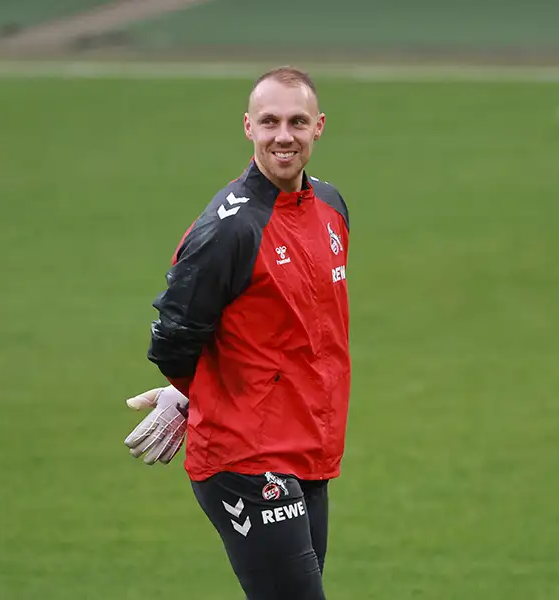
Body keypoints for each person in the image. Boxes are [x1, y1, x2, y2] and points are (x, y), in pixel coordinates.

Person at [124, 66, 351, 599]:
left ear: (319, 126)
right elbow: (172, 337)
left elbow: (304, 333)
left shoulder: (332, 208)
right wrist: (196, 395)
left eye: (297, 122)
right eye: (269, 122)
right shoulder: (228, 229)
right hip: (246, 456)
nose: (283, 136)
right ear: (247, 127)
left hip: (308, 446)